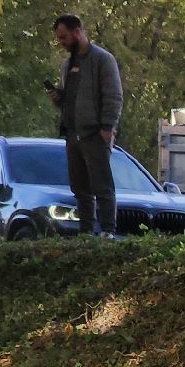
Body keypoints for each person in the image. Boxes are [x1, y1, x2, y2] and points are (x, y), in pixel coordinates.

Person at [46, 14, 123, 236]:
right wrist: (58, 98)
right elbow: (69, 100)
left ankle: (108, 230)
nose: (61, 42)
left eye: (64, 37)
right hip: (73, 135)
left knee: (102, 186)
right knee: (80, 188)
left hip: (94, 134)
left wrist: (107, 127)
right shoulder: (67, 65)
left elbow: (113, 96)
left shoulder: (103, 60)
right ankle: (86, 231)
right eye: (59, 38)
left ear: (77, 31)